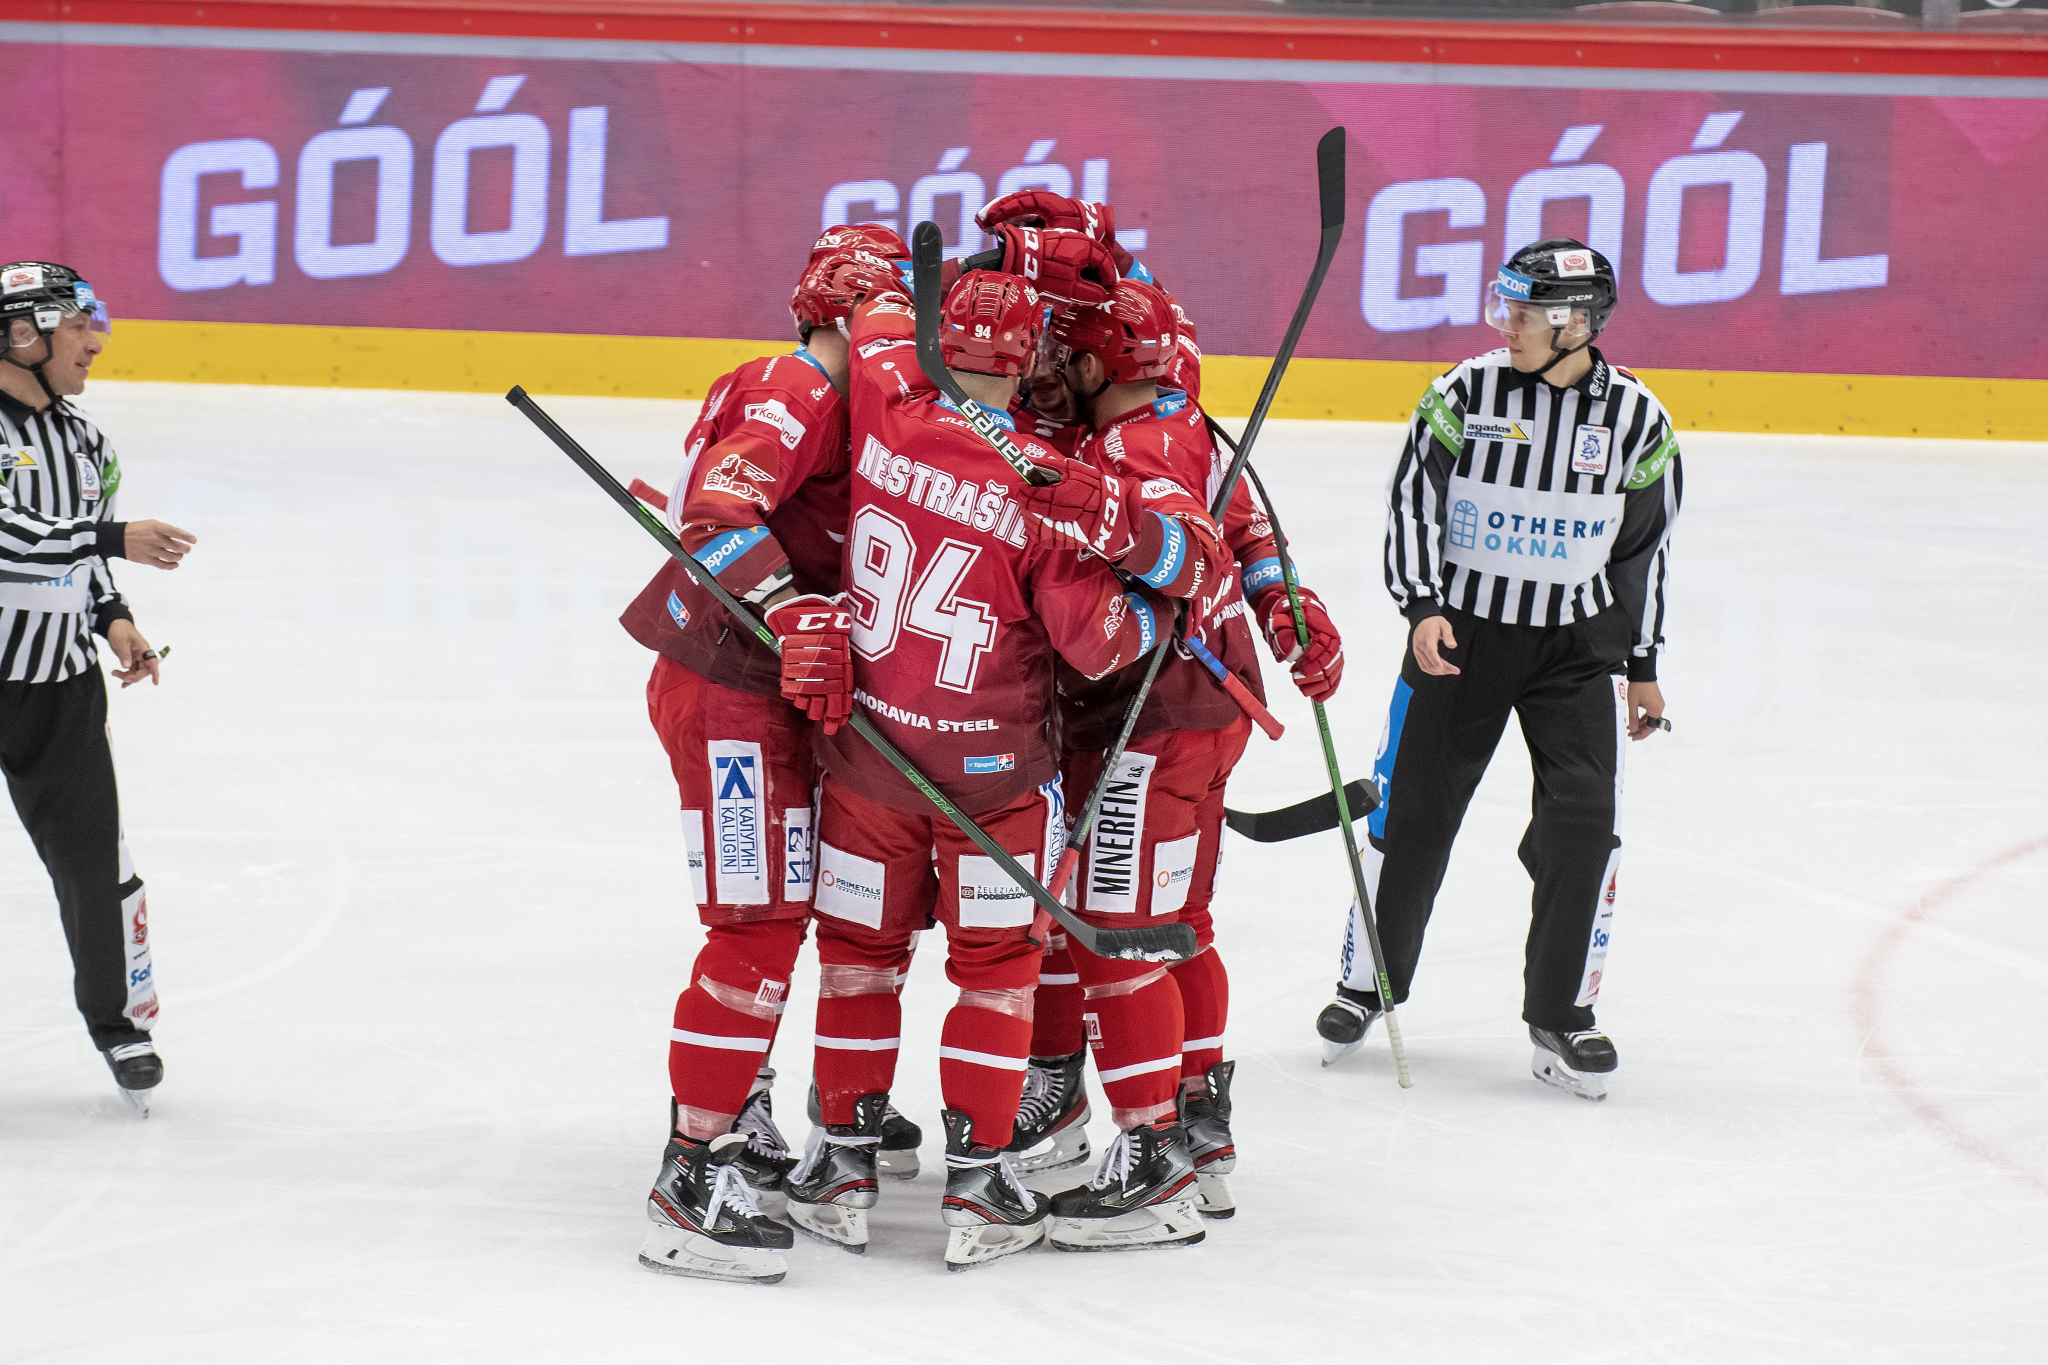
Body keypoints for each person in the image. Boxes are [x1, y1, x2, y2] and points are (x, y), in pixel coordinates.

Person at [787, 255, 1163, 1272]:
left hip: (870, 763)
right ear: (1031, 360)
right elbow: (1100, 646)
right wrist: (1157, 601)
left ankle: (841, 1164)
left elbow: (872, 311)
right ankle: (980, 1183)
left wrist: (926, 289)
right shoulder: (1041, 485)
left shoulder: (883, 396)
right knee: (995, 974)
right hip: (995, 785)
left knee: (856, 958)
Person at [1004, 274, 1343, 1238]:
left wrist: (1280, 604)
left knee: (1119, 934)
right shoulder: (1175, 414)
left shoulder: (1128, 445)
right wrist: (1285, 607)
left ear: (1096, 360)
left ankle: (1150, 1154)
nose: (1043, 365)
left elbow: (1182, 547)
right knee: (1174, 922)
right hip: (1199, 711)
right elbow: (1245, 525)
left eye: (1061, 350)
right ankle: (1196, 1126)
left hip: (1149, 716)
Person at [1314, 237, 1681, 1102]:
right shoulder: (1462, 394)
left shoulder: (1638, 419)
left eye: (1524, 314)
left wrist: (1642, 662)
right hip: (1462, 638)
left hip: (1574, 652)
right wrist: (1422, 607)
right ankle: (1368, 984)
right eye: (1505, 308)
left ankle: (1562, 1013)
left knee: (1584, 825)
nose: (1505, 326)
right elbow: (1414, 502)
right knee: (1412, 816)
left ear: (1576, 324)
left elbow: (1645, 551)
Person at [621, 226, 914, 1285]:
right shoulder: (800, 387)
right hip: (730, 690)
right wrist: (793, 610)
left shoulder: (814, 388)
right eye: (888, 319)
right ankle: (689, 1175)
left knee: (776, 914)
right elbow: (717, 514)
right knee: (756, 925)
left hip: (758, 685)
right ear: (844, 317)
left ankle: (736, 1101)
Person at [0, 261, 197, 1114]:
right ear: (21, 336)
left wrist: (113, 616)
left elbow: (76, 554)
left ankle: (120, 1027)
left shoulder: (84, 441)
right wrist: (113, 536)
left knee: (93, 861)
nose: (96, 340)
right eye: (78, 325)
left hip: (59, 685)